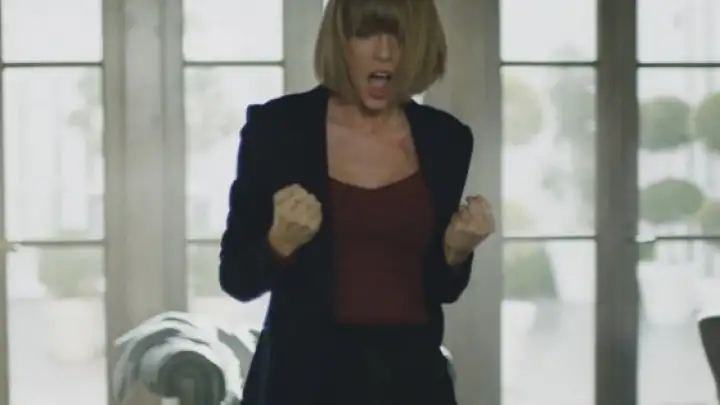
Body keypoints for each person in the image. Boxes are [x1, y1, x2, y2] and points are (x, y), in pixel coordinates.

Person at [219, 0, 495, 404]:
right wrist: (279, 243)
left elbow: (439, 289)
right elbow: (237, 278)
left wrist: (456, 252)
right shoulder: (278, 129)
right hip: (303, 385)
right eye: (366, 33)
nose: (384, 52)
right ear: (339, 41)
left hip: (413, 383)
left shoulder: (446, 139)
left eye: (400, 36)